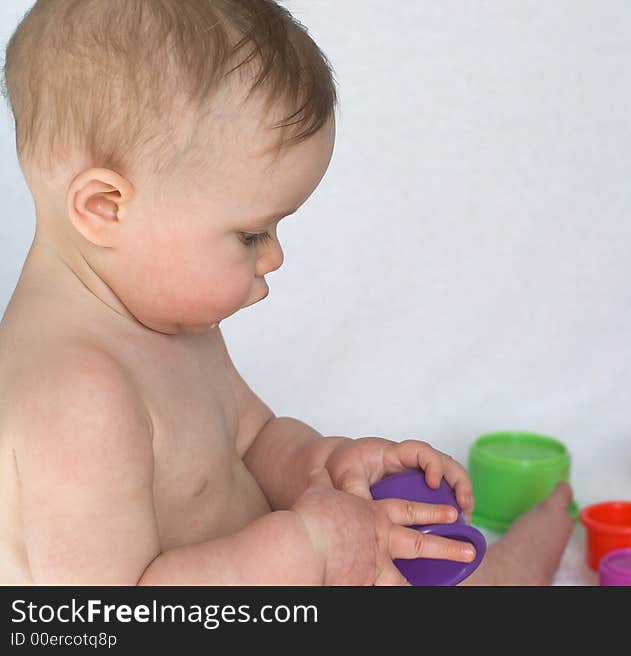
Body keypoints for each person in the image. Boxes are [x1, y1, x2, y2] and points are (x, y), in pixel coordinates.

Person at [0, 0, 573, 585]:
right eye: (251, 234)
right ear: (105, 208)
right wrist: (306, 546)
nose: (273, 256)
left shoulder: (166, 319)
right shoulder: (74, 398)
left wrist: (325, 467)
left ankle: (510, 566)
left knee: (429, 571)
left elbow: (251, 440)